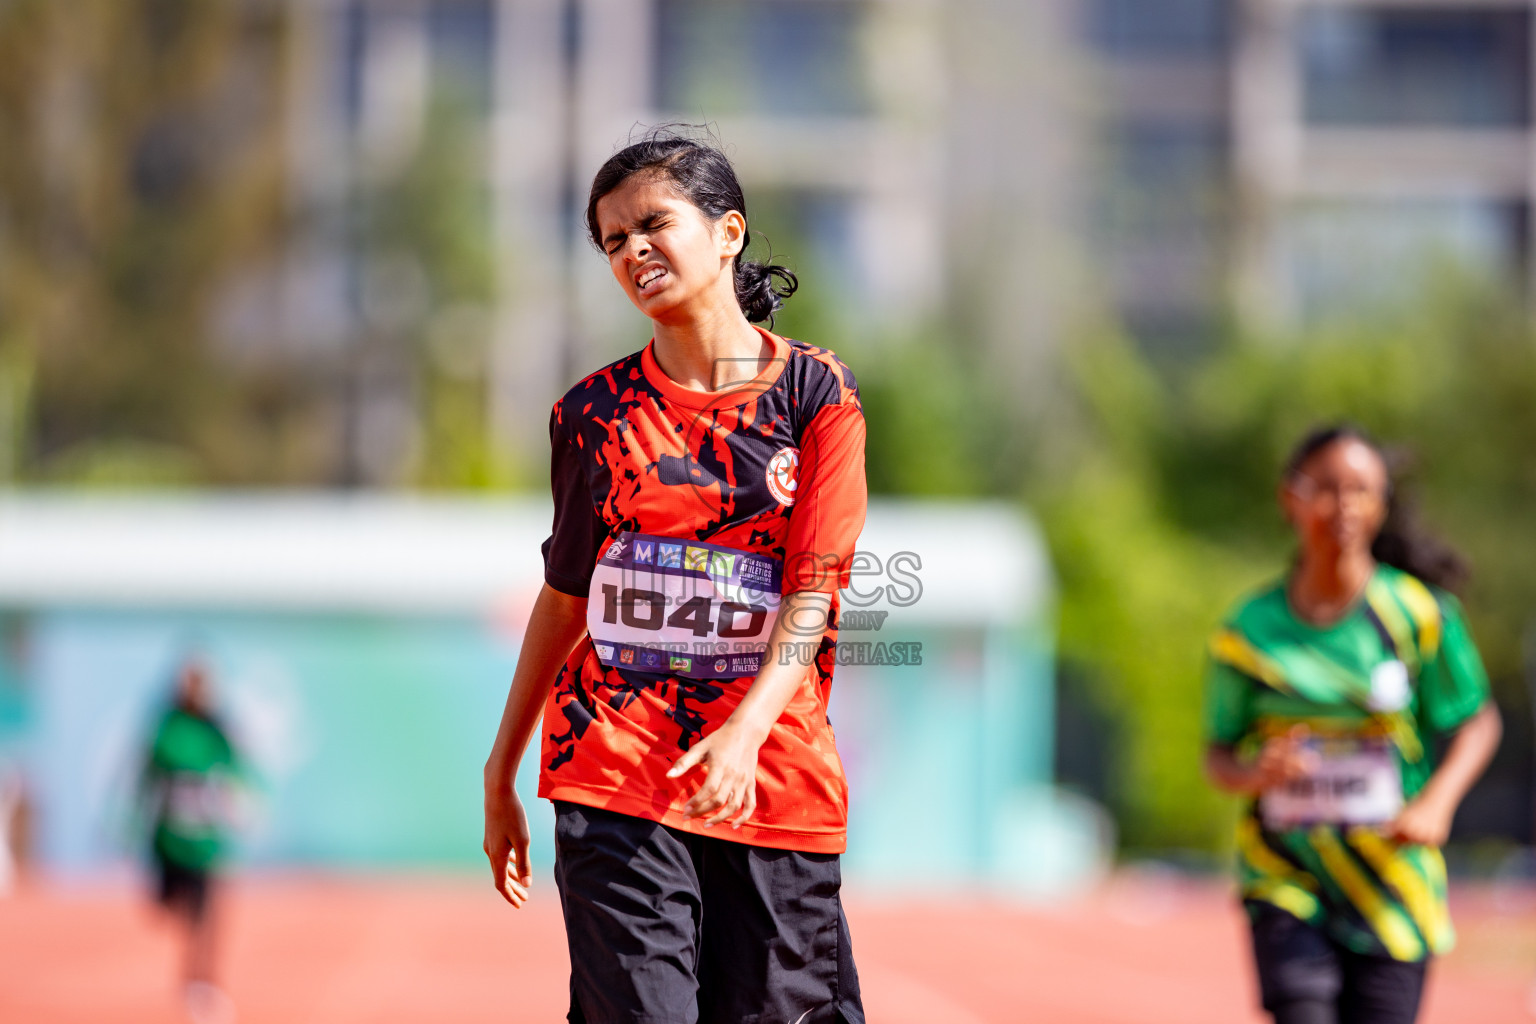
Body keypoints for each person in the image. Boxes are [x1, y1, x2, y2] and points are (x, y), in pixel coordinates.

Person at [482, 128, 867, 1024]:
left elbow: (815, 588)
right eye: (612, 240)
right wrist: (502, 765)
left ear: (729, 231)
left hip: (772, 782)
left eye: (653, 223)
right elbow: (566, 595)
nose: (632, 251)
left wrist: (741, 736)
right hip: (611, 770)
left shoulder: (816, 396)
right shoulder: (590, 414)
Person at [1203, 425, 1503, 1024]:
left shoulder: (1417, 615)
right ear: (1290, 498)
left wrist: (1437, 805)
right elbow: (1218, 756)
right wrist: (1255, 771)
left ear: (1381, 504)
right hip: (1287, 873)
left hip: (1391, 882)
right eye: (1327, 489)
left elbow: (1477, 723)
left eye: (1361, 491)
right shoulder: (1249, 631)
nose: (1343, 507)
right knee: (1303, 1009)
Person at [140, 657, 240, 1024]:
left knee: (207, 917)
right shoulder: (167, 727)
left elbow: (235, 772)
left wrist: (234, 802)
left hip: (204, 844)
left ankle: (200, 981)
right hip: (168, 841)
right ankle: (195, 974)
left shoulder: (218, 729)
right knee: (167, 907)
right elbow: (149, 774)